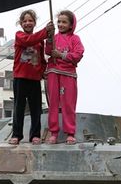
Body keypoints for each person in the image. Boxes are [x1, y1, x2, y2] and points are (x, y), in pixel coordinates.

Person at [9, 9, 54, 145]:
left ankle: (35, 135)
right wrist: (45, 32)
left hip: (34, 79)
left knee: (36, 109)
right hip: (20, 77)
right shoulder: (20, 36)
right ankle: (17, 134)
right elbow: (29, 41)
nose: (28, 23)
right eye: (25, 21)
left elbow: (41, 59)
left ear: (34, 23)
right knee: (19, 107)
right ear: (21, 23)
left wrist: (43, 71)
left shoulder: (40, 41)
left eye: (30, 20)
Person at [45, 10, 84, 144]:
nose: (61, 24)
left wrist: (61, 55)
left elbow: (78, 55)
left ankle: (70, 132)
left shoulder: (75, 39)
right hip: (53, 72)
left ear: (71, 24)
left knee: (68, 103)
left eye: (64, 22)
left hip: (68, 74)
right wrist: (49, 38)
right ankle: (54, 132)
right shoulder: (54, 37)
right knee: (53, 103)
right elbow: (47, 51)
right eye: (59, 22)